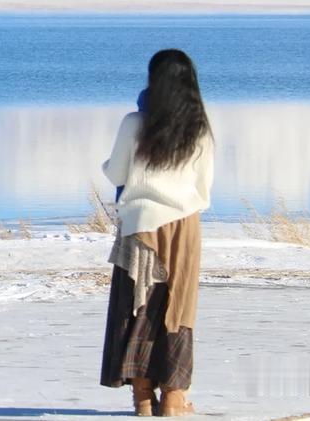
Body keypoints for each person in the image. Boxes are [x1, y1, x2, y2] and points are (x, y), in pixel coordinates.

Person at [100, 49, 214, 417]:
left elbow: (116, 175)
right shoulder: (199, 127)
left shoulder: (133, 123)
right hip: (183, 227)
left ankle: (143, 398)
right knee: (178, 308)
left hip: (140, 225)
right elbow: (204, 188)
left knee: (137, 307)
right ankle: (175, 398)